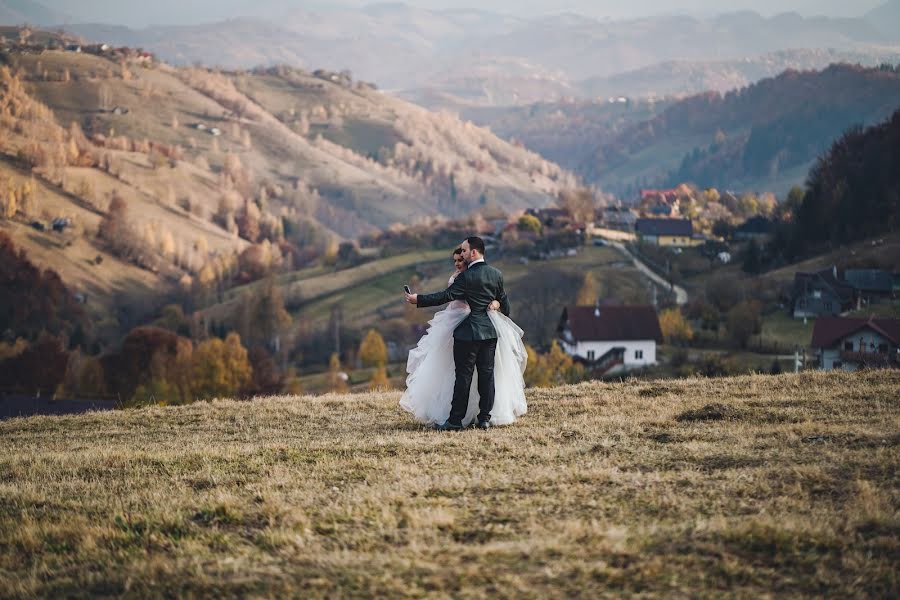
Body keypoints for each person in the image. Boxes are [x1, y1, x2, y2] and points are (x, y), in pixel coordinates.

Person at [401, 237, 527, 430]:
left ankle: (455, 421)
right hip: (489, 332)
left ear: (474, 253)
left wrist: (417, 299)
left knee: (463, 377)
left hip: (467, 334)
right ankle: (485, 418)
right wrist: (497, 303)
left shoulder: (465, 277)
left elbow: (445, 296)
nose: (463, 253)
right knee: (487, 376)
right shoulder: (496, 274)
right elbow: (506, 307)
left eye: (466, 251)